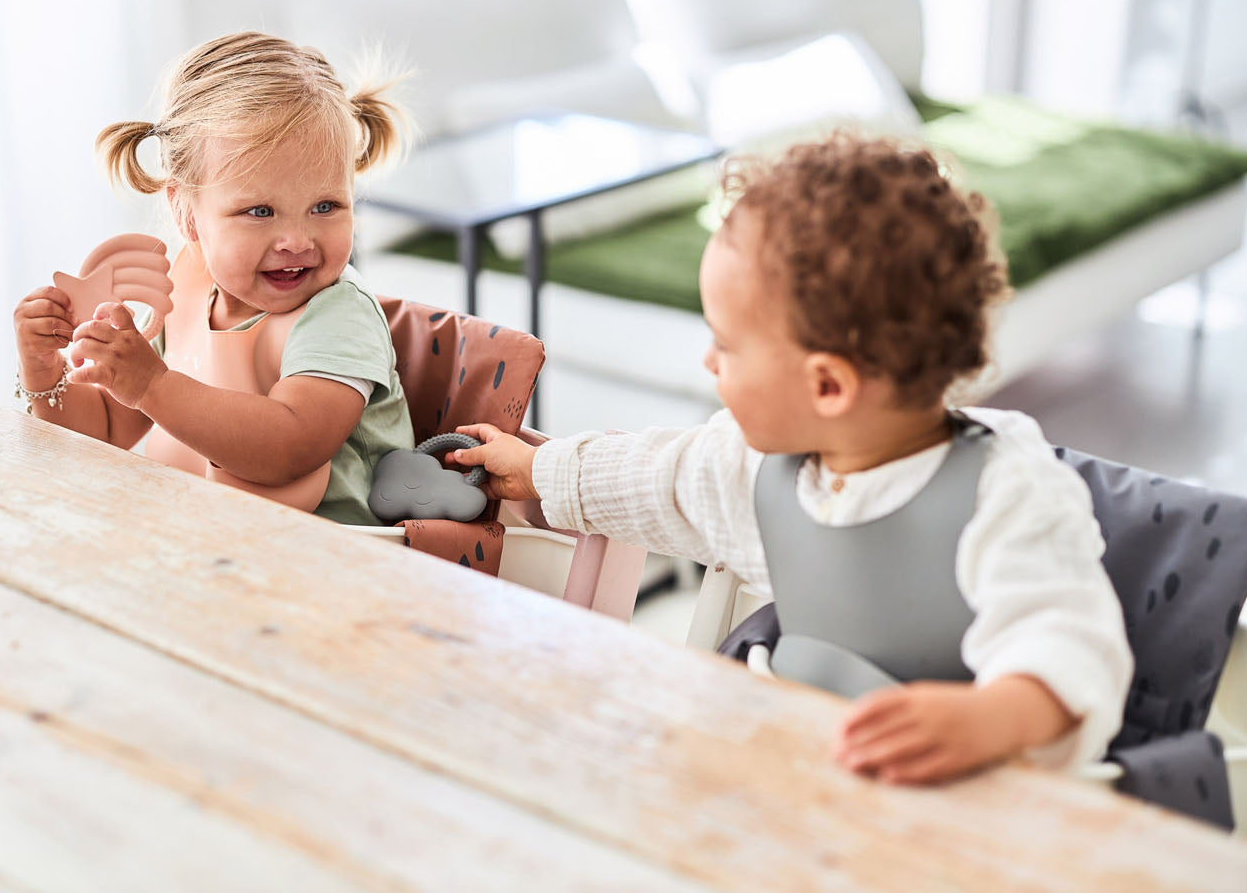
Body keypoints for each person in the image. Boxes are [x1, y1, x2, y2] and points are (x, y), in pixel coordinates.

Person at [451, 133, 1133, 784]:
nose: (708, 360)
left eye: (726, 344)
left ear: (827, 385)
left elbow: (1070, 638)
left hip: (938, 807)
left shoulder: (1010, 491)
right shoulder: (753, 463)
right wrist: (539, 471)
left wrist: (990, 718)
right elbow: (659, 480)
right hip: (787, 772)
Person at [13, 31, 414, 525]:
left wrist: (152, 384)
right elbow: (107, 427)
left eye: (326, 206)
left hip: (341, 559)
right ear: (185, 214)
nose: (296, 239)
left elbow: (290, 444)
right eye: (260, 211)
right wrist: (43, 369)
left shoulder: (340, 314)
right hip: (216, 541)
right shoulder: (187, 284)